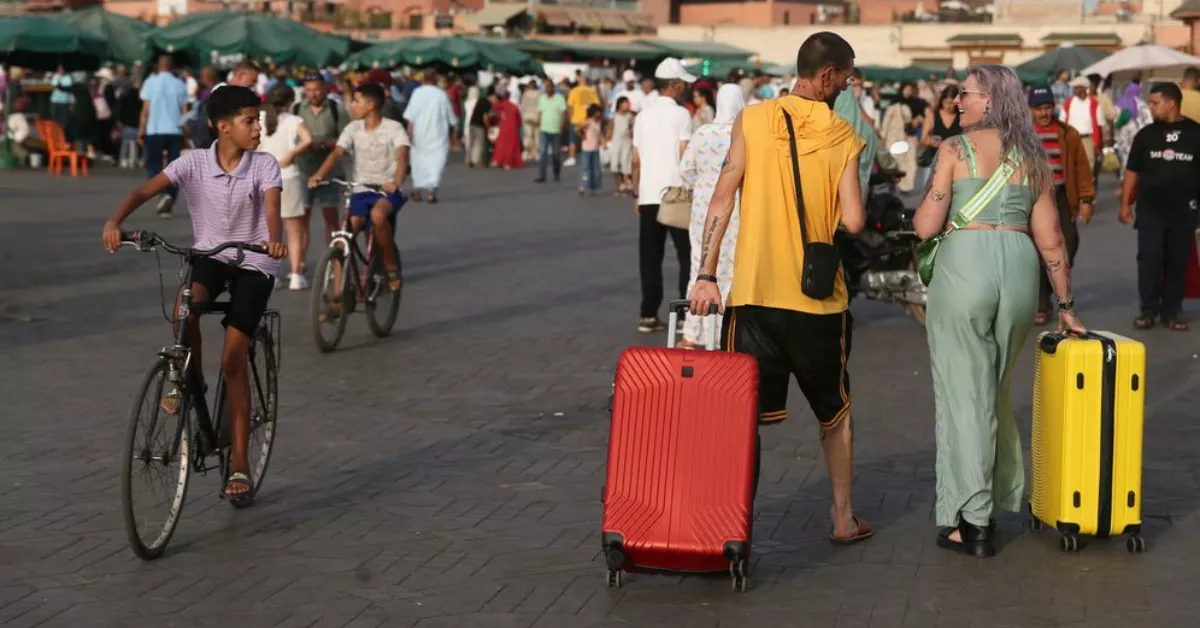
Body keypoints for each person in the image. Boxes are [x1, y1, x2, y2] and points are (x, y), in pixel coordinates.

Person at [687, 32, 870, 544]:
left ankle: (731, 525)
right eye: (847, 77)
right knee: (835, 413)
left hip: (752, 300)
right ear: (827, 76)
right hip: (817, 303)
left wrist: (705, 275)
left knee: (740, 418)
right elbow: (853, 221)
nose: (848, 87)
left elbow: (723, 195)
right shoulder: (843, 135)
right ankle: (842, 518)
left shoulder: (752, 120)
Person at [914, 65, 1085, 557]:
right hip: (1018, 272)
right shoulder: (1033, 156)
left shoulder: (953, 149)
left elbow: (927, 225)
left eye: (964, 94)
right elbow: (1052, 241)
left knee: (963, 394)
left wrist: (935, 199)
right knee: (993, 388)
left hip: (965, 265)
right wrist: (1066, 307)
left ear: (988, 100)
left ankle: (973, 518)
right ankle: (1003, 494)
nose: (956, 102)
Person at [102, 85, 287, 507]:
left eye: (257, 120)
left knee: (234, 360)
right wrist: (115, 221)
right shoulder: (192, 163)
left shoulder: (264, 166)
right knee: (186, 299)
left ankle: (239, 463)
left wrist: (274, 241)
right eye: (249, 120)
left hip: (255, 262)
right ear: (222, 127)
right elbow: (141, 193)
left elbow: (273, 212)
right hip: (212, 256)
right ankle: (186, 375)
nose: (258, 128)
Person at [308, 83, 408, 295]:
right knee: (348, 230)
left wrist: (396, 182)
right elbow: (337, 153)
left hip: (386, 190)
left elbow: (401, 157)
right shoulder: (353, 128)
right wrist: (319, 175)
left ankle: (391, 267)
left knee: (378, 216)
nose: (352, 105)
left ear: (370, 105)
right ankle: (339, 294)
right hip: (361, 190)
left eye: (356, 101)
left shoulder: (393, 128)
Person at [1120, 82, 1200, 331]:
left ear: (1171, 103)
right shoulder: (1146, 135)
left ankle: (1172, 311)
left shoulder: (1196, 133)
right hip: (1150, 210)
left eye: (1155, 103)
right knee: (1149, 260)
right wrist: (1125, 203)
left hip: (1184, 211)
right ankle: (1148, 310)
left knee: (1178, 262)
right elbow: (1132, 171)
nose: (1150, 107)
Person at [678, 83, 745, 347]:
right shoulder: (744, 136)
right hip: (736, 211)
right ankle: (724, 335)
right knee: (731, 271)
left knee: (701, 266)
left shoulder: (702, 133)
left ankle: (694, 333)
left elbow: (685, 170)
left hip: (704, 212)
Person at [632, 58, 694, 333]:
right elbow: (685, 153)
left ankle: (648, 314)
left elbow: (636, 159)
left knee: (650, 258)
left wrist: (636, 192)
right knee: (687, 255)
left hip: (648, 195)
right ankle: (683, 315)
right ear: (676, 85)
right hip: (677, 194)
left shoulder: (642, 115)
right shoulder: (681, 115)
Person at [1028, 84, 1095, 326]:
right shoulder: (1023, 135)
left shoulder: (1068, 134)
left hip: (1062, 197)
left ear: (1053, 108)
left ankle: (1054, 286)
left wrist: (1086, 199)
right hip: (1033, 199)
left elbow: (1081, 168)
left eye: (1047, 107)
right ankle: (1042, 303)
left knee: (1069, 245)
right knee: (1036, 253)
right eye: (1038, 108)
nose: (1044, 113)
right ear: (1031, 110)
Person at [260, 85, 314, 290]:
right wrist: (291, 154)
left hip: (265, 178)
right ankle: (295, 275)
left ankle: (271, 274)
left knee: (269, 232)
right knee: (294, 230)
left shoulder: (259, 119)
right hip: (289, 176)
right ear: (289, 103)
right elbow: (308, 139)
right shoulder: (294, 121)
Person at [293, 73, 348, 264]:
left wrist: (324, 144)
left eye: (316, 89)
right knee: (301, 221)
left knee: (331, 220)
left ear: (325, 88)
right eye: (308, 90)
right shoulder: (297, 109)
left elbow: (345, 140)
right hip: (303, 171)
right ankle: (299, 264)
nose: (313, 94)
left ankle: (334, 263)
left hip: (329, 172)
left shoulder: (336, 109)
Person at [139, 55, 189, 218]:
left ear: (158, 67)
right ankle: (169, 195)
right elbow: (185, 110)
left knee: (154, 164)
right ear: (172, 67)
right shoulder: (180, 84)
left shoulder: (150, 83)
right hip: (175, 129)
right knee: (174, 166)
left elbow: (145, 109)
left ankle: (161, 190)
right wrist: (186, 131)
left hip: (155, 129)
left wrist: (141, 129)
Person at [404, 70, 457, 203]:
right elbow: (451, 118)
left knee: (418, 161)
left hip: (419, 134)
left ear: (423, 79)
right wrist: (454, 136)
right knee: (436, 162)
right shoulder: (441, 94)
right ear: (435, 79)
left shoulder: (417, 93)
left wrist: (408, 133)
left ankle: (416, 189)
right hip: (438, 134)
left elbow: (411, 116)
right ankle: (431, 192)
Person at [1061, 75, 1104, 175]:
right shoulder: (1068, 104)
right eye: (1075, 88)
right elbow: (1062, 123)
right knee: (1072, 167)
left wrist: (1099, 147)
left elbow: (1099, 126)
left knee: (1088, 168)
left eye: (1078, 87)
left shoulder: (1094, 104)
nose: (1076, 90)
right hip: (1071, 139)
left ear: (1085, 88)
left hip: (1087, 140)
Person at [535, 80, 567, 183]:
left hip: (556, 129)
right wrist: (539, 124)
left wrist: (562, 126)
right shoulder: (542, 98)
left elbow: (564, 113)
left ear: (553, 87)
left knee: (556, 153)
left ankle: (556, 173)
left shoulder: (559, 98)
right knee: (543, 153)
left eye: (548, 86)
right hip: (544, 129)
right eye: (545, 86)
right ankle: (542, 175)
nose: (546, 88)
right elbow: (540, 112)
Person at [566, 74, 600, 167]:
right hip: (588, 118)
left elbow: (570, 106)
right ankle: (589, 157)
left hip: (576, 118)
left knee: (572, 140)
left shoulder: (573, 91)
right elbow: (596, 105)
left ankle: (572, 157)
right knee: (588, 139)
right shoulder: (591, 91)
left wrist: (571, 117)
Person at [490, 88, 524, 170]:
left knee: (501, 145)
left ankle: (497, 160)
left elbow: (493, 110)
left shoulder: (501, 105)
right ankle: (508, 162)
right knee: (511, 147)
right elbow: (519, 120)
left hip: (503, 128)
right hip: (513, 128)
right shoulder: (514, 106)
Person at [607, 96, 635, 195]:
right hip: (616, 141)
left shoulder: (630, 116)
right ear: (619, 105)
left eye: (627, 103)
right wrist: (606, 141)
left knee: (625, 163)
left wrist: (632, 136)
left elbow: (633, 127)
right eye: (624, 103)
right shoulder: (614, 116)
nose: (626, 105)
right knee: (615, 164)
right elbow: (610, 128)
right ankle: (617, 186)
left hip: (626, 141)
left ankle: (626, 186)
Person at [577, 104, 604, 195]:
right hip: (586, 149)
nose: (599, 114)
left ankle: (593, 187)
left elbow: (600, 134)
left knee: (595, 169)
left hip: (595, 148)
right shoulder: (588, 122)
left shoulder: (598, 122)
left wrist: (603, 142)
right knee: (585, 168)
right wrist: (583, 135)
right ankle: (582, 186)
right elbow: (577, 129)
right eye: (597, 112)